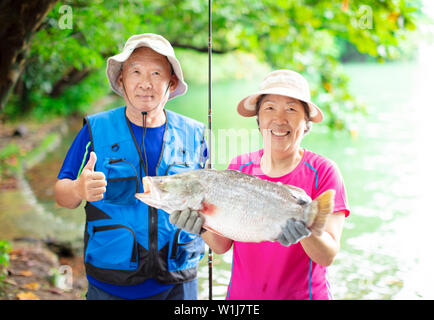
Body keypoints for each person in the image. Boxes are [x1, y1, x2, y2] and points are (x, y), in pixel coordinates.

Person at [171, 69, 350, 300]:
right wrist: (201, 225)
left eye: (291, 109)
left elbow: (327, 256)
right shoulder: (239, 167)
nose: (279, 119)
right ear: (258, 119)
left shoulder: (324, 172)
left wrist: (306, 233)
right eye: (269, 108)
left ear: (306, 122)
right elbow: (222, 245)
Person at [54, 33, 208, 300]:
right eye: (135, 72)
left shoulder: (194, 135)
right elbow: (61, 194)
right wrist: (79, 189)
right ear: (121, 80)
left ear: (171, 83)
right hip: (109, 285)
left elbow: (212, 200)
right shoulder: (95, 129)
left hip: (179, 283)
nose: (145, 83)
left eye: (156, 74)